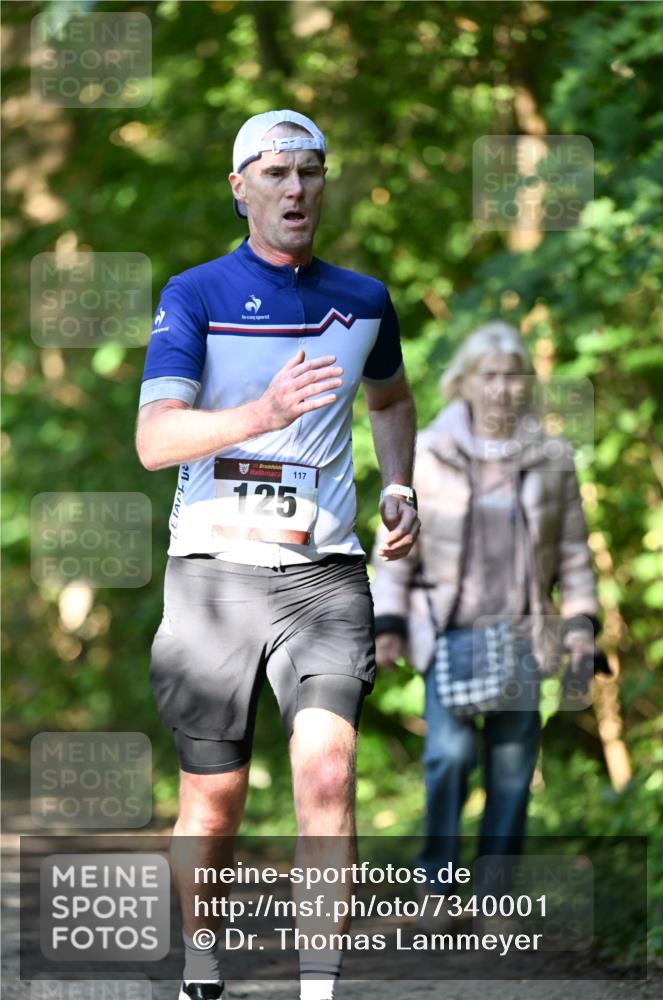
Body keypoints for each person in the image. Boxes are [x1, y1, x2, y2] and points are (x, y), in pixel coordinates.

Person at [135, 110, 419, 1000]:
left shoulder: (364, 299)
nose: (296, 189)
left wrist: (399, 487)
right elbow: (154, 440)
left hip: (324, 577)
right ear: (240, 188)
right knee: (213, 801)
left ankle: (318, 988)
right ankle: (203, 959)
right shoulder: (195, 295)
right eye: (276, 173)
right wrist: (262, 413)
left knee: (327, 772)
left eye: (310, 172)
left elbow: (389, 400)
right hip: (213, 578)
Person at [371, 321, 600, 908]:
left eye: (514, 375)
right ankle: (436, 884)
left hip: (524, 635)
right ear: (466, 382)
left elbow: (574, 553)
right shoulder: (428, 452)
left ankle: (496, 894)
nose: (502, 388)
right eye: (489, 375)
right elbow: (396, 547)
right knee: (448, 758)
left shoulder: (553, 456)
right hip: (446, 632)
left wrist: (581, 627)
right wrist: (388, 624)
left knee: (512, 770)